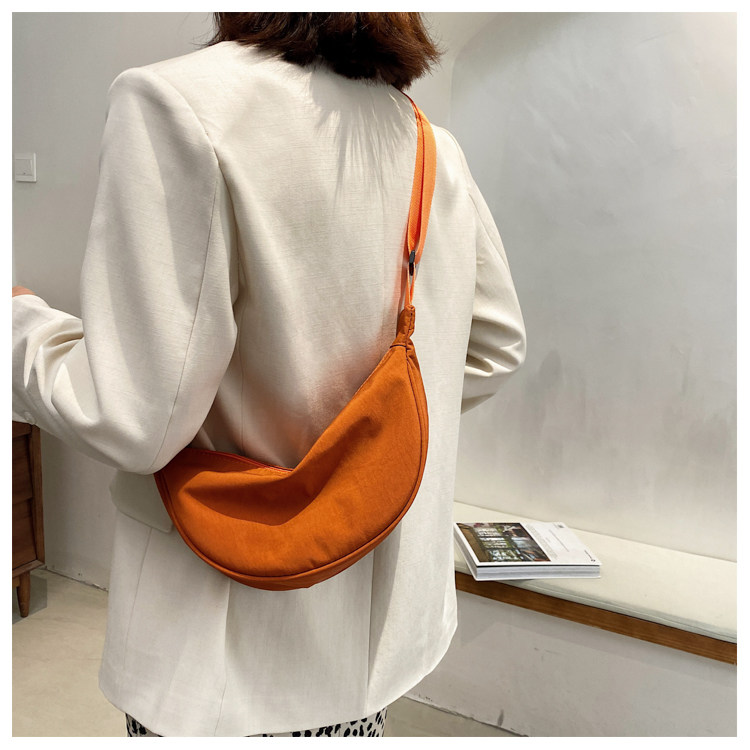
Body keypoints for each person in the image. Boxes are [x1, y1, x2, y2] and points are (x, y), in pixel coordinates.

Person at [12, 12, 526, 737]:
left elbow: (134, 419)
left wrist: (21, 330)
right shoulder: (427, 141)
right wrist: (367, 431)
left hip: (223, 645)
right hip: (377, 637)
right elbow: (494, 345)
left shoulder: (174, 102)